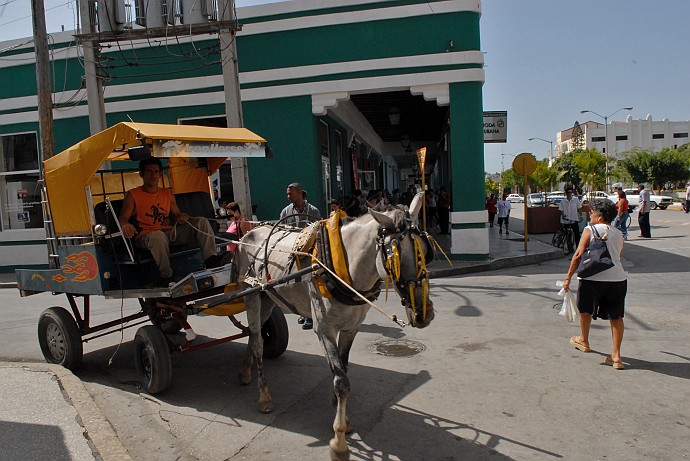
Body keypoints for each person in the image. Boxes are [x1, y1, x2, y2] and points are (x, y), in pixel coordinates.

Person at [118, 157, 229, 286]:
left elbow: (176, 214)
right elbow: (123, 218)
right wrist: (126, 225)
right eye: (149, 171)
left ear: (160, 174)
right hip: (146, 235)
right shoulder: (133, 195)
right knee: (157, 236)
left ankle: (211, 259)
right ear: (142, 174)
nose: (153, 175)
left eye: (156, 171)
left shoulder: (167, 193)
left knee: (201, 221)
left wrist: (181, 217)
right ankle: (166, 276)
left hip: (169, 232)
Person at [563, 199, 628, 370]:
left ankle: (584, 340)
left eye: (592, 213)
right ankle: (616, 356)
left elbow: (578, 254)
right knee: (616, 316)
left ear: (599, 217)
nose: (589, 215)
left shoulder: (589, 229)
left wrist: (568, 276)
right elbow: (617, 256)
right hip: (617, 279)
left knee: (585, 311)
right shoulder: (618, 233)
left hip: (591, 279)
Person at [279, 182, 322, 330]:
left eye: (290, 193)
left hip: (310, 253)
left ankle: (311, 315)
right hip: (294, 253)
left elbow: (319, 230)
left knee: (311, 282)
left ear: (299, 192)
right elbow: (282, 231)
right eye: (287, 193)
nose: (288, 196)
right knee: (298, 284)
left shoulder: (313, 211)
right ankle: (304, 313)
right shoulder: (285, 212)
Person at [558, 187, 584, 253]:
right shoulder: (563, 202)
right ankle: (570, 248)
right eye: (568, 193)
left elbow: (579, 208)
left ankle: (579, 248)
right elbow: (561, 210)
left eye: (570, 193)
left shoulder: (576, 200)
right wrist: (563, 214)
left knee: (577, 234)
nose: (569, 194)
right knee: (568, 235)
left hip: (574, 219)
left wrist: (580, 216)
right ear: (566, 193)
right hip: (566, 220)